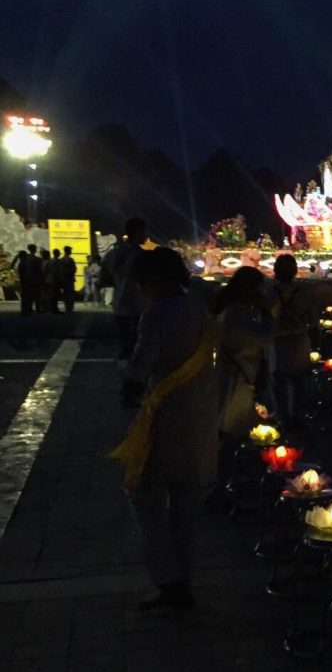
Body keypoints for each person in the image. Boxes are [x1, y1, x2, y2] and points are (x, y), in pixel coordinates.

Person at [110, 247, 217, 611]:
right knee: (186, 505)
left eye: (143, 283)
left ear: (155, 281)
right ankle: (184, 580)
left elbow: (142, 361)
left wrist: (129, 385)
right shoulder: (198, 309)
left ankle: (168, 580)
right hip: (200, 413)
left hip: (166, 414)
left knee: (145, 496)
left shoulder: (157, 314)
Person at [213, 267, 272, 441]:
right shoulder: (238, 313)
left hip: (234, 371)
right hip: (239, 373)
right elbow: (261, 339)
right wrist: (267, 314)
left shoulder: (230, 309)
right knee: (233, 421)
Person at [266, 254, 314, 428]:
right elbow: (313, 317)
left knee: (278, 380)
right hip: (299, 338)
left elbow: (264, 317)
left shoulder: (269, 292)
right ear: (295, 270)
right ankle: (299, 416)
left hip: (278, 340)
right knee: (300, 379)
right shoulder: (305, 292)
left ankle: (283, 417)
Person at [101, 218, 148, 360]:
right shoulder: (143, 256)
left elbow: (105, 279)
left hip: (120, 305)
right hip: (140, 305)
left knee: (125, 343)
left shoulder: (112, 254)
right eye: (144, 232)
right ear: (138, 232)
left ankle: (125, 369)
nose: (146, 236)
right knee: (139, 343)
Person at [16, 245, 42, 316]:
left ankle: (26, 309)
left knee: (26, 296)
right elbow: (38, 270)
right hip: (32, 280)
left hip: (25, 281)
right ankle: (34, 309)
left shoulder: (23, 262)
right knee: (35, 295)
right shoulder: (35, 259)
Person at [55, 246, 77, 313]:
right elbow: (74, 269)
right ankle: (70, 308)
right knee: (70, 294)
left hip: (63, 279)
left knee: (65, 294)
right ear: (68, 251)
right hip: (70, 279)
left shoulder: (61, 260)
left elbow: (59, 270)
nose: (71, 252)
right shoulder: (70, 260)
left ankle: (67, 308)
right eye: (70, 250)